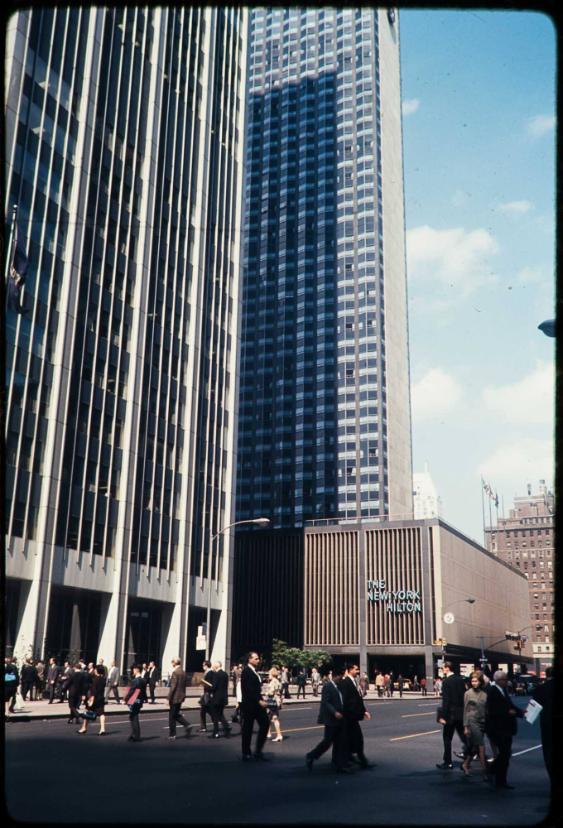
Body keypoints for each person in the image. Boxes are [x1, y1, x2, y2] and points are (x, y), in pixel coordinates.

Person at [306, 667, 351, 774]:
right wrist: (334, 712)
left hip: (340, 717)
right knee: (327, 741)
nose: (342, 679)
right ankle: (311, 755)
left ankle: (338, 764)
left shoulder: (339, 686)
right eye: (341, 677)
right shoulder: (328, 686)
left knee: (339, 741)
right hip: (331, 718)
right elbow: (326, 702)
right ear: (336, 676)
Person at [485, 670, 524, 789]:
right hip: (498, 728)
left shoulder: (504, 691)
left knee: (506, 755)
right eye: (505, 680)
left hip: (507, 728)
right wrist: (507, 712)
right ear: (498, 681)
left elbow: (510, 706)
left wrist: (520, 712)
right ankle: (492, 771)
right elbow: (492, 710)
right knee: (505, 754)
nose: (507, 682)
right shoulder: (492, 691)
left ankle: (500, 780)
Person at [436, 661, 468, 770]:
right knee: (464, 737)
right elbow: (465, 696)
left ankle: (448, 762)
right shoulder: (460, 680)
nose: (442, 670)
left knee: (447, 738)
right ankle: (471, 755)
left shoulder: (446, 682)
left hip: (450, 714)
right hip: (460, 713)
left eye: (443, 668)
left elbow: (446, 701)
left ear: (447, 668)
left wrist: (442, 716)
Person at [340, 664, 372, 769]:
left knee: (354, 738)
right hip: (349, 716)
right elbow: (344, 700)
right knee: (356, 738)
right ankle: (359, 759)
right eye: (356, 669)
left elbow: (358, 699)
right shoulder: (346, 682)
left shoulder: (354, 681)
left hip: (353, 716)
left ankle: (355, 758)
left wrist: (364, 711)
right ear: (350, 670)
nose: (358, 671)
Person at [240, 651, 270, 761]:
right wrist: (259, 700)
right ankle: (246, 753)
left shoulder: (254, 671)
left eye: (258, 658)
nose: (258, 660)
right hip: (249, 705)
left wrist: (262, 699)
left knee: (265, 724)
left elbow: (256, 689)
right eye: (256, 658)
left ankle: (258, 750)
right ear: (250, 659)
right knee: (247, 729)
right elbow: (248, 689)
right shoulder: (246, 672)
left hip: (257, 704)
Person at [461, 671, 488, 778]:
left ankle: (465, 764)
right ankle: (485, 772)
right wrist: (465, 726)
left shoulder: (484, 694)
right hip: (472, 722)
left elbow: (486, 709)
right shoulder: (467, 693)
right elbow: (465, 710)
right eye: (472, 681)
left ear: (480, 682)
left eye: (476, 681)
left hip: (482, 722)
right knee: (481, 747)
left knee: (474, 748)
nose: (474, 683)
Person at [531, 667, 553, 782]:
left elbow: (533, 708)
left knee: (548, 752)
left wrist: (529, 717)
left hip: (547, 723)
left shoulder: (540, 689)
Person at [77, 664, 107, 736]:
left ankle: (84, 728)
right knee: (101, 713)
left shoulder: (95, 680)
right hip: (101, 698)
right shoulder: (103, 679)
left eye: (95, 669)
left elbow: (93, 691)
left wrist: (91, 701)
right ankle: (102, 729)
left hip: (94, 698)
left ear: (97, 670)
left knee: (87, 712)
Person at [167, 658, 192, 739]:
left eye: (172, 662)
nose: (172, 664)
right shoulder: (183, 672)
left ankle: (172, 734)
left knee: (172, 717)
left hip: (174, 697)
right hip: (180, 697)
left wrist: (168, 698)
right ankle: (187, 725)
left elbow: (173, 687)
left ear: (175, 663)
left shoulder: (175, 672)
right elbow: (184, 685)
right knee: (176, 714)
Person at [124, 665, 147, 742]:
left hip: (134, 700)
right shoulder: (143, 680)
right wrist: (145, 699)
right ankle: (133, 734)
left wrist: (125, 699)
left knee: (134, 717)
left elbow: (131, 691)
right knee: (133, 716)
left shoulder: (135, 681)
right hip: (139, 700)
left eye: (133, 669)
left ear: (137, 670)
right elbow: (144, 692)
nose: (133, 671)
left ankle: (136, 736)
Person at [209, 661, 231, 739]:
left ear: (216, 666)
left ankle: (216, 732)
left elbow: (214, 686)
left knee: (215, 716)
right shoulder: (225, 674)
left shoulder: (216, 675)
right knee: (220, 714)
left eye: (214, 666)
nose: (213, 668)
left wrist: (209, 688)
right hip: (223, 697)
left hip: (216, 698)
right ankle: (226, 728)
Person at [264, 666, 283, 742]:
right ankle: (269, 733)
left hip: (272, 701)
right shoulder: (278, 681)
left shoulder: (272, 682)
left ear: (272, 674)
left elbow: (271, 692)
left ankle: (278, 735)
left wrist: (266, 693)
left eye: (269, 674)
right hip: (277, 701)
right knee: (271, 717)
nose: (268, 676)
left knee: (273, 718)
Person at [199, 660, 214, 733]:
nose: (202, 667)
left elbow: (210, 684)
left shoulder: (210, 673)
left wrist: (203, 682)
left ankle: (219, 723)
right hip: (205, 694)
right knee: (203, 711)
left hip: (207, 694)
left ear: (206, 665)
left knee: (209, 711)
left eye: (203, 665)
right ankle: (203, 727)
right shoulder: (207, 673)